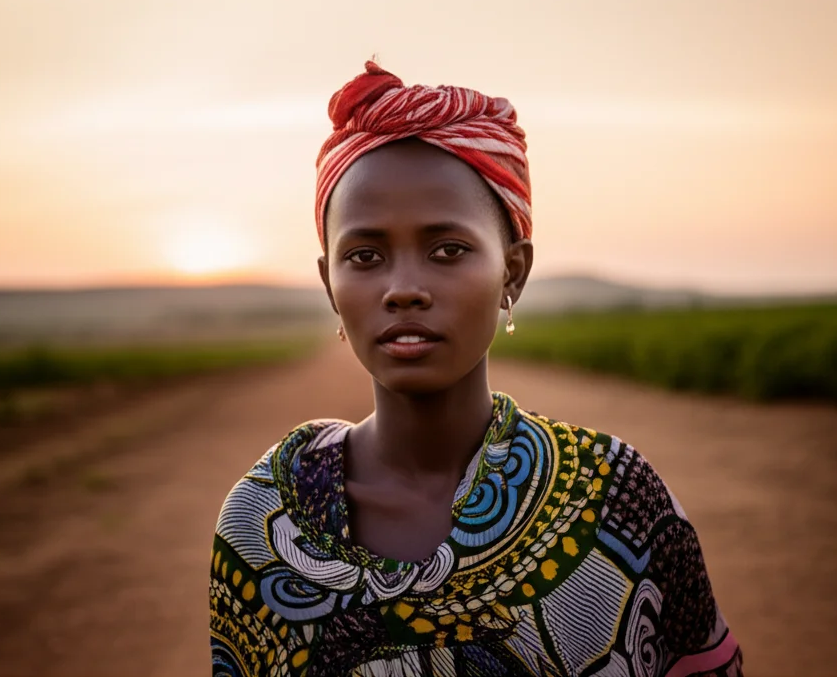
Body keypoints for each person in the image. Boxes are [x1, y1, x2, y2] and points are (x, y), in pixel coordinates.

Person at [209, 61, 743, 677]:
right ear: (330, 281)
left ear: (513, 271)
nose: (403, 288)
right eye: (365, 256)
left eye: (448, 250)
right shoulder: (260, 521)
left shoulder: (615, 499)